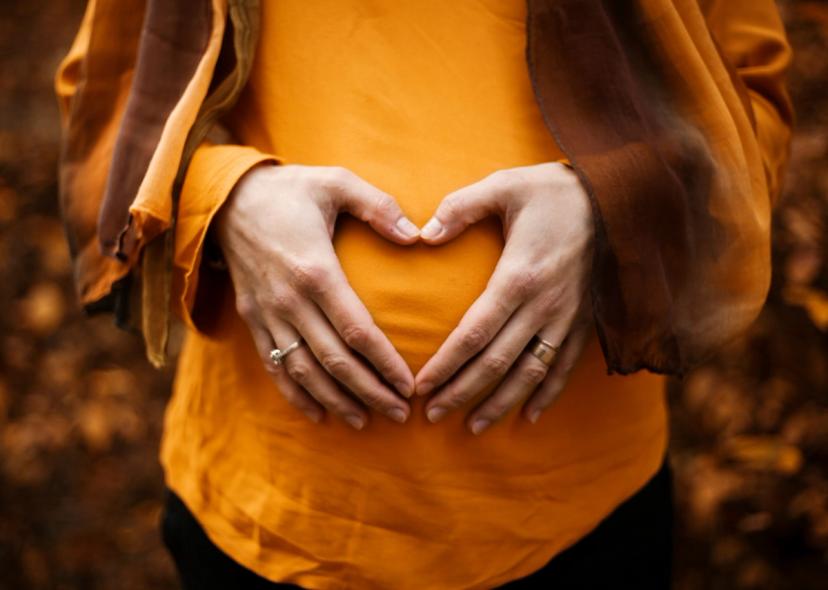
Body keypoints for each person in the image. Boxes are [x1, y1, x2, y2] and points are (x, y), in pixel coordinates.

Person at [56, 0, 792, 588]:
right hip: (265, 515)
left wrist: (610, 207)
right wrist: (222, 201)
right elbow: (111, 103)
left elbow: (748, 112)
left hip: (576, 519)